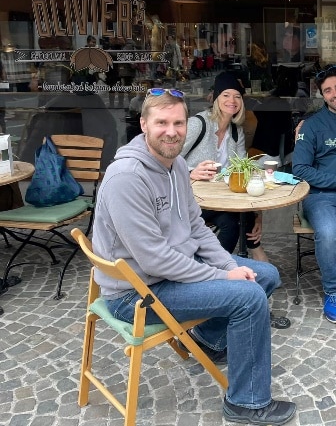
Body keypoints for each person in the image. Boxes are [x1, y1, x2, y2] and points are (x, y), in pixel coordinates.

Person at [91, 88, 296, 425]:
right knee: (249, 297)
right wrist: (223, 277)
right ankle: (247, 403)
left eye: (178, 122)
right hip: (135, 292)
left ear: (187, 125)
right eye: (161, 122)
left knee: (266, 274)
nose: (171, 131)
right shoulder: (127, 178)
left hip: (166, 276)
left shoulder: (176, 165)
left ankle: (209, 340)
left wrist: (229, 265)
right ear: (144, 124)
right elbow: (155, 260)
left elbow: (198, 228)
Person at [292, 66, 336, 323]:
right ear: (322, 95)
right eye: (328, 90)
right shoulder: (311, 126)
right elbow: (299, 170)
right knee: (330, 233)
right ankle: (333, 292)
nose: (335, 94)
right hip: (319, 196)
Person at [181, 71, 268, 263]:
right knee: (236, 219)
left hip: (219, 200)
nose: (232, 100)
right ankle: (254, 252)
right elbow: (168, 159)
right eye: (226, 95)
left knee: (234, 222)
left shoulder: (236, 132)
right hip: (190, 200)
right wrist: (190, 172)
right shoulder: (198, 124)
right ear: (216, 98)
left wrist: (257, 213)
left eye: (237, 96)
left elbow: (243, 172)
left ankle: (215, 268)